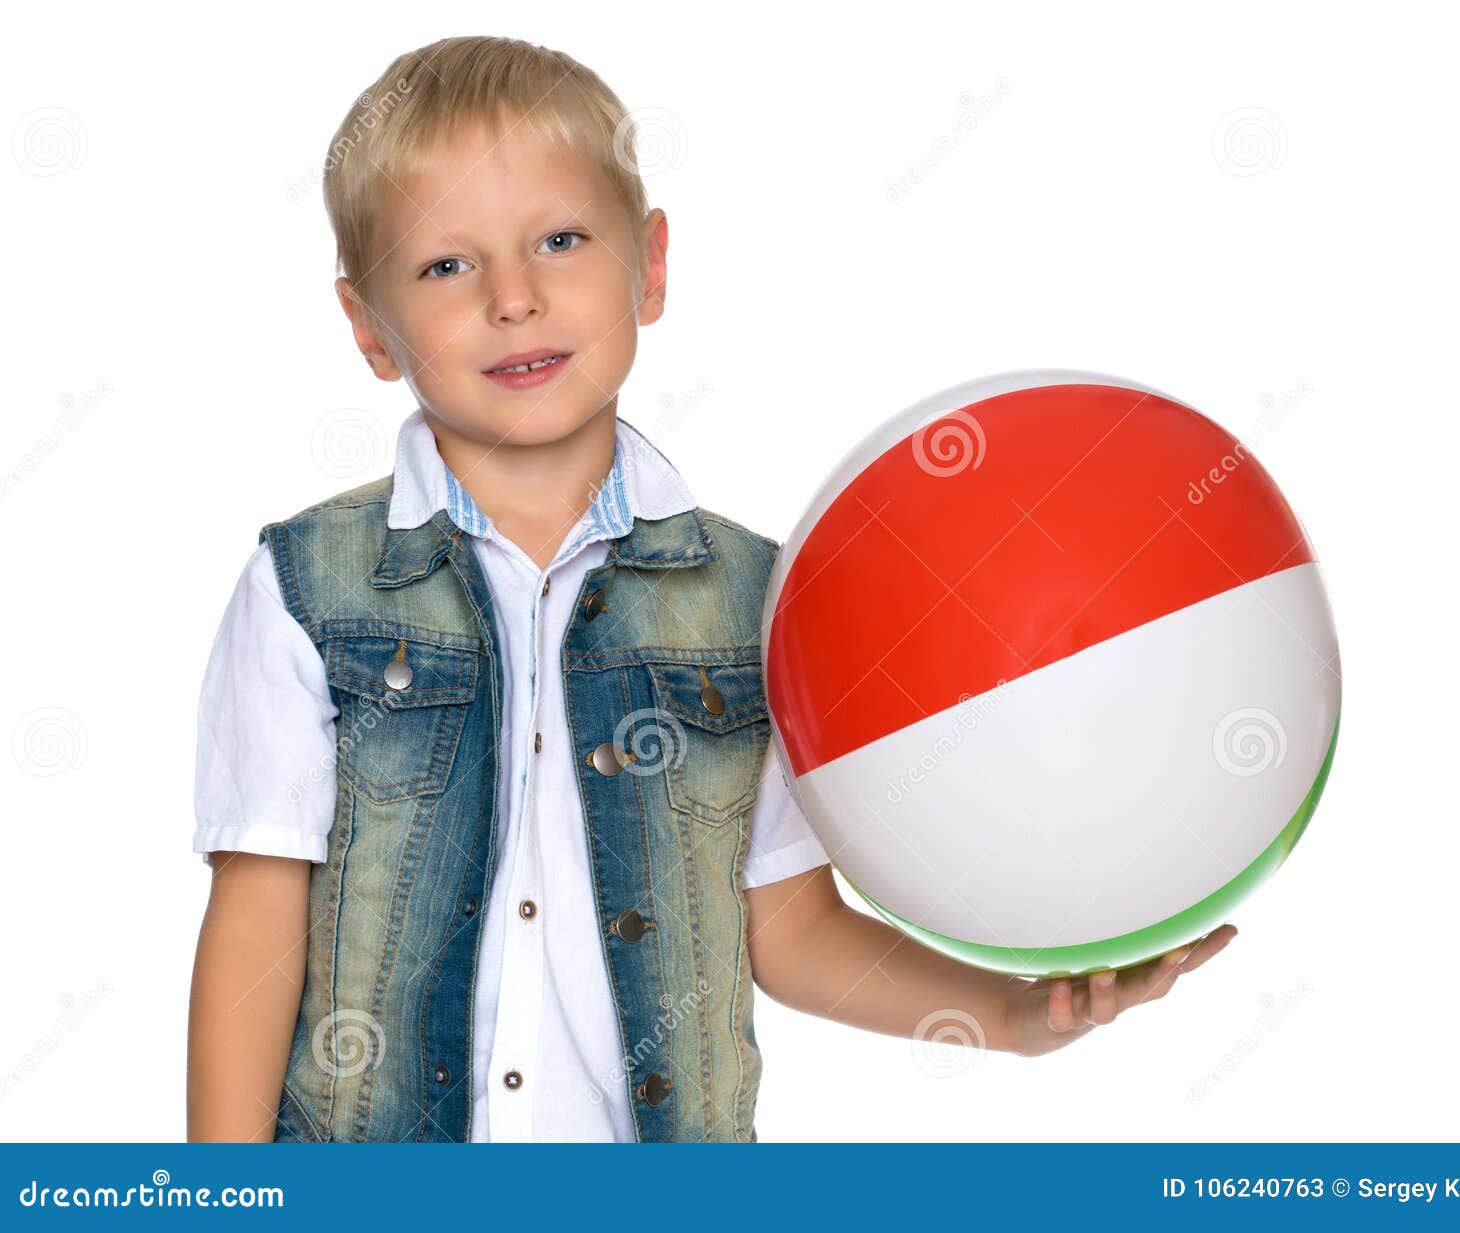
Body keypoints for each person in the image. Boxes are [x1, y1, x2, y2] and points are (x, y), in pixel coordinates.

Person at [186, 34, 1235, 1144]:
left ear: (650, 265)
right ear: (367, 327)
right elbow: (260, 919)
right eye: (447, 264)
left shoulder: (756, 604)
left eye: (560, 239)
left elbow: (785, 927)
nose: (515, 297)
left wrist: (1007, 1014)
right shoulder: (308, 588)